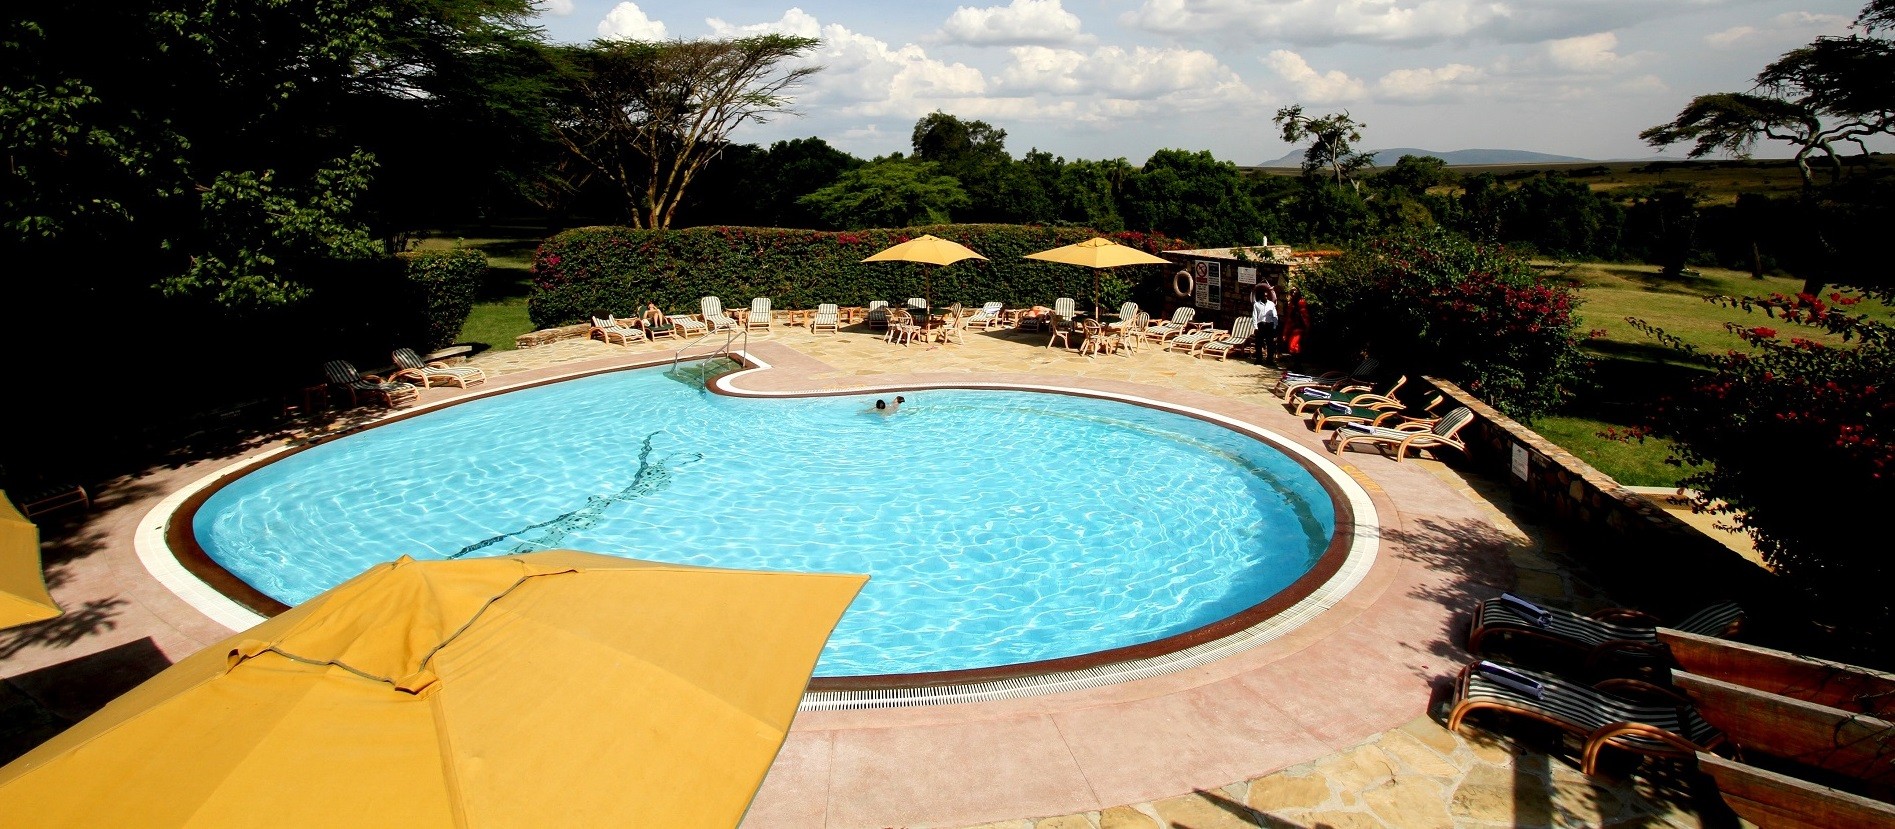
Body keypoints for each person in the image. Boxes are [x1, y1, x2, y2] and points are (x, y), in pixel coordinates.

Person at [1252, 286, 1281, 365]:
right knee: (1258, 343)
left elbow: (1275, 316)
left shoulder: (1271, 304)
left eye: (1266, 296)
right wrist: (1255, 327)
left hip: (1269, 325)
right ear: (1261, 296)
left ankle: (1269, 360)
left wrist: (1275, 326)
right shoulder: (1256, 305)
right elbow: (1254, 316)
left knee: (1270, 343)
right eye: (1264, 295)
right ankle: (1259, 359)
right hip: (1261, 325)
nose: (1265, 297)